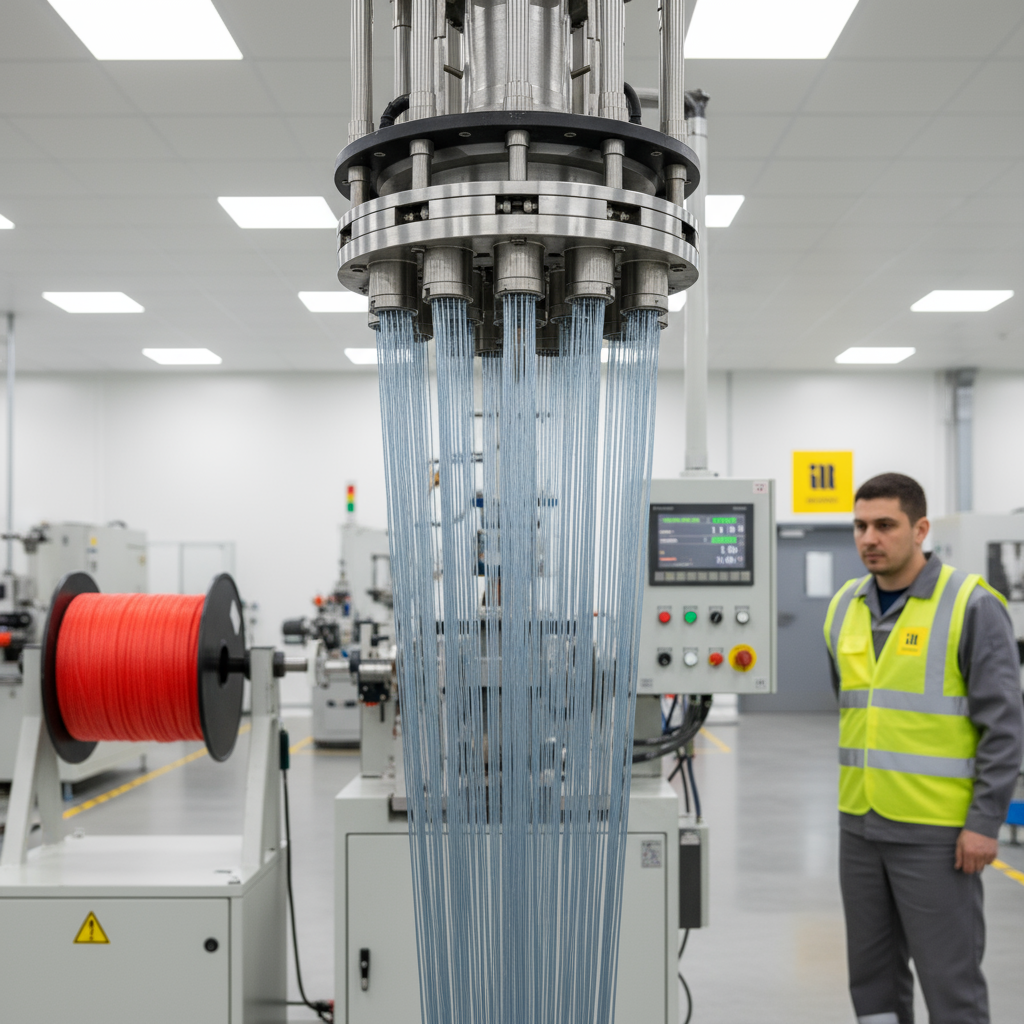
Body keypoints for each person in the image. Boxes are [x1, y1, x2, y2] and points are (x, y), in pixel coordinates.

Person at [823, 473, 1023, 1024]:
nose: (870, 538)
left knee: (949, 981)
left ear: (921, 528)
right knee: (871, 981)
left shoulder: (971, 605)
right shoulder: (844, 607)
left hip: (937, 833)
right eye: (860, 526)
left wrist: (985, 821)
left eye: (885, 525)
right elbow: (855, 708)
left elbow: (1004, 728)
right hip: (859, 826)